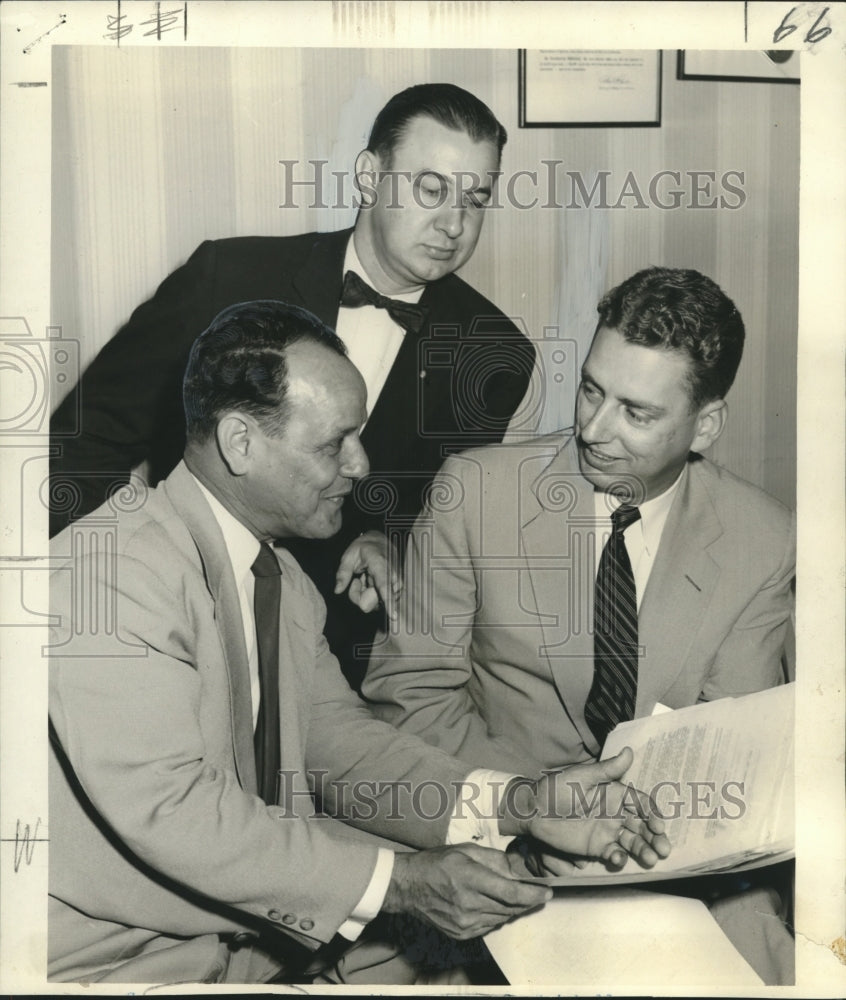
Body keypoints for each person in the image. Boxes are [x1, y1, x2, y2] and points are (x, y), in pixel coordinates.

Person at [48, 301, 668, 985]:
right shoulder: (111, 574)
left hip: (240, 940)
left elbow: (340, 744)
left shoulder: (278, 576)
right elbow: (178, 812)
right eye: (332, 444)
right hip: (111, 959)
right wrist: (402, 883)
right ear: (239, 442)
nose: (362, 465)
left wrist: (519, 803)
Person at [362, 267, 795, 982]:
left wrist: (633, 834)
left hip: (678, 872)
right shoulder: (474, 491)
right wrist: (538, 809)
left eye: (637, 412)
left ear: (705, 425)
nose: (593, 430)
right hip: (496, 856)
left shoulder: (762, 538)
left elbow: (731, 752)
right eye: (591, 389)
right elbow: (407, 703)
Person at [48, 82, 536, 688]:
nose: (454, 224)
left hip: (340, 660)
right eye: (431, 188)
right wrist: (113, 581)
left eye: (477, 199)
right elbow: (78, 443)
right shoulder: (225, 277)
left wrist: (391, 543)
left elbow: (440, 516)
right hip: (168, 623)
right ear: (368, 175)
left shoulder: (495, 353)